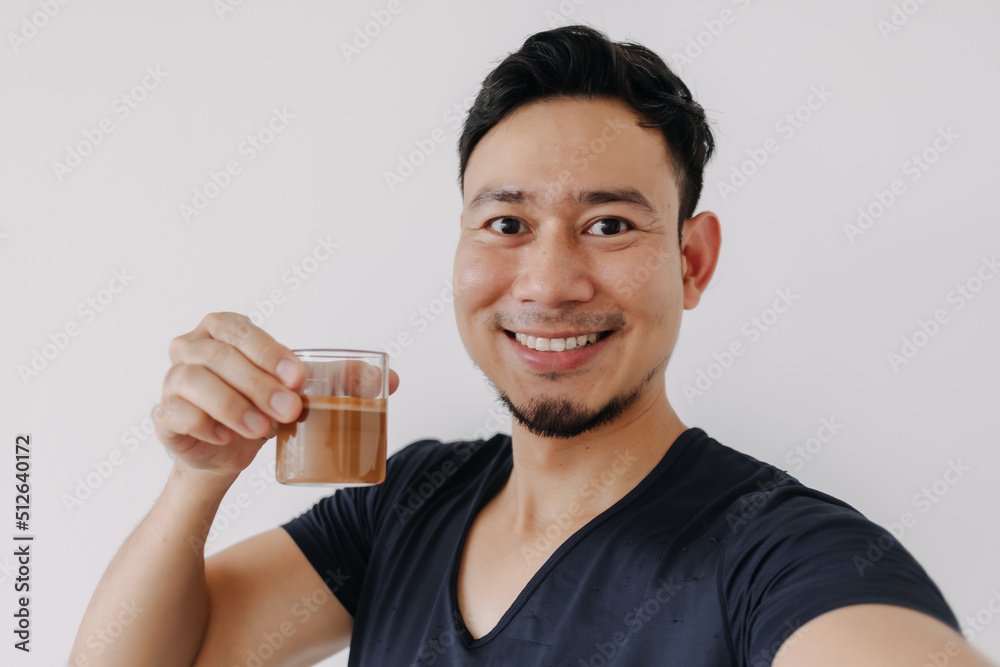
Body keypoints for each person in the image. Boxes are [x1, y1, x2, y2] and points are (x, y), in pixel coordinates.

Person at [70, 25, 993, 667]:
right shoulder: (398, 508)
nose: (549, 284)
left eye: (608, 226)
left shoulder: (777, 553)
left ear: (693, 261)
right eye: (508, 222)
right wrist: (200, 475)